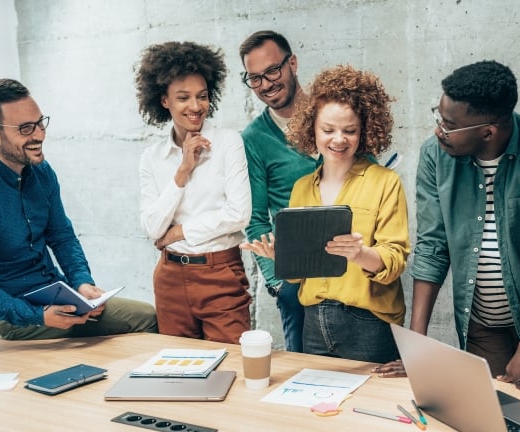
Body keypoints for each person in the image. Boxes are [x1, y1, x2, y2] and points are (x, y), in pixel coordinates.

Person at [375, 60, 520, 402]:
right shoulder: (435, 155)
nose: (438, 130)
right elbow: (432, 245)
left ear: (488, 132)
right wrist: (417, 346)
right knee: (488, 410)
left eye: (449, 124)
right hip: (482, 321)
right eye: (438, 117)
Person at [0, 78, 158, 340]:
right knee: (144, 321)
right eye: (25, 128)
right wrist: (38, 315)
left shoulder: (41, 172)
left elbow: (61, 236)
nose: (39, 135)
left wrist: (82, 282)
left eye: (40, 122)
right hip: (15, 314)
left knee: (146, 316)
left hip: (57, 293)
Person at [241, 64, 409, 363]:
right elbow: (302, 272)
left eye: (350, 130)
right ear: (312, 129)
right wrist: (282, 259)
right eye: (328, 130)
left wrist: (360, 255)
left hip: (369, 324)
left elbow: (395, 261)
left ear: (365, 130)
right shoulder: (302, 189)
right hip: (313, 323)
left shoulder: (385, 182)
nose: (338, 139)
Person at [135, 41, 252, 344]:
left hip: (220, 275)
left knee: (232, 367)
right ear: (164, 101)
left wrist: (179, 232)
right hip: (170, 278)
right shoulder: (152, 157)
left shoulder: (228, 143)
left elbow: (238, 214)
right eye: (183, 98)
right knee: (179, 372)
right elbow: (152, 227)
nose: (196, 106)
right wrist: (183, 170)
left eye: (202, 96)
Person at [239, 30, 320, 352]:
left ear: (293, 63)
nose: (266, 84)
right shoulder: (254, 139)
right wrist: (278, 283)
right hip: (296, 282)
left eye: (273, 70)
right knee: (305, 376)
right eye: (255, 78)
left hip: (352, 273)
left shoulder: (335, 117)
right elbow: (256, 219)